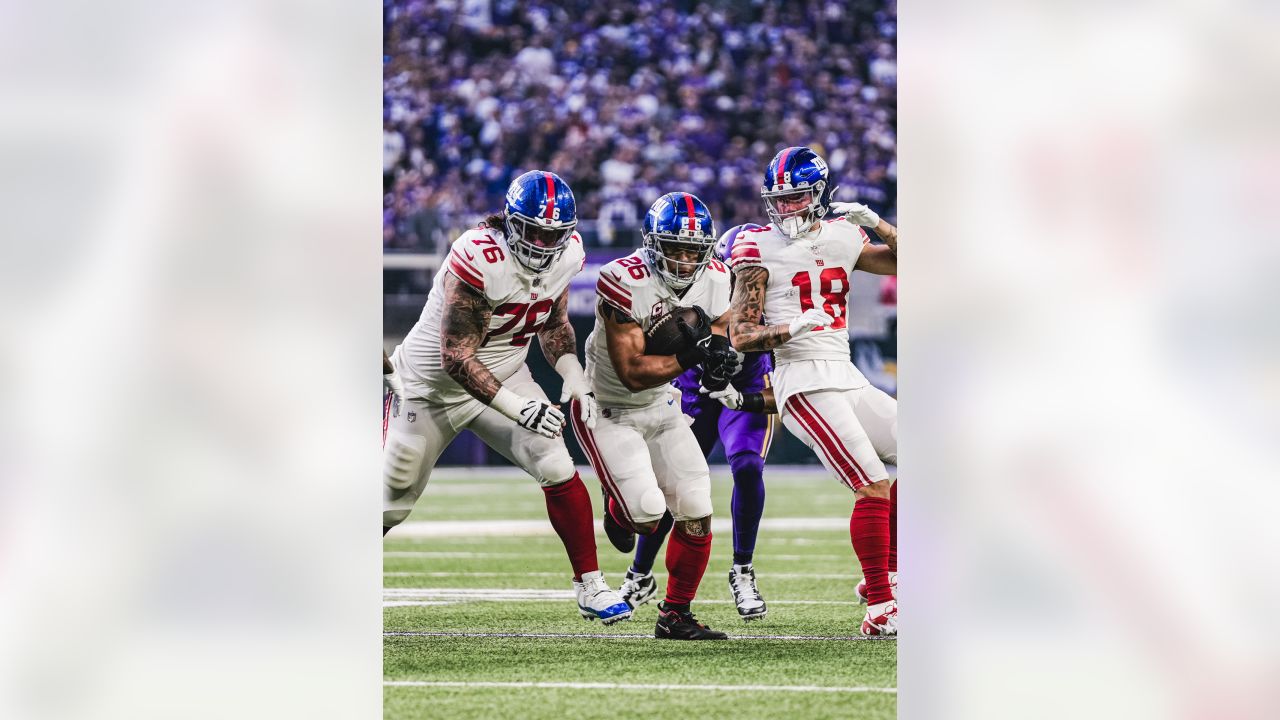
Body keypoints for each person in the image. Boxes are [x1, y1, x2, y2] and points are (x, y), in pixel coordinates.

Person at [383, 170, 632, 625]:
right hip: (428, 388)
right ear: (511, 223)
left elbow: (554, 324)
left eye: (552, 235)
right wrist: (520, 408)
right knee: (390, 499)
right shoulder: (478, 256)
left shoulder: (568, 254)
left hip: (506, 371)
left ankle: (591, 585)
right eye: (533, 231)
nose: (541, 244)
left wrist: (572, 371)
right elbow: (457, 356)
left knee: (556, 464)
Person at [725, 146, 900, 636]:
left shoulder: (846, 234)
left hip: (846, 375)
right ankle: (882, 608)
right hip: (801, 380)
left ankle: (882, 576)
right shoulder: (755, 246)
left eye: (797, 198)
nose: (786, 209)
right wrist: (794, 327)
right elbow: (740, 334)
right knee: (872, 484)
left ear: (820, 195)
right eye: (778, 200)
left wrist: (881, 225)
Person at [573, 192, 741, 640]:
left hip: (663, 405)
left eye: (693, 249)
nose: (685, 260)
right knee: (647, 515)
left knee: (697, 508)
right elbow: (631, 374)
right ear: (652, 244)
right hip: (609, 407)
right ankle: (617, 507)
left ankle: (675, 614)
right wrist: (694, 355)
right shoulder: (622, 278)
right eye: (674, 247)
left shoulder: (718, 274)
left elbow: (718, 325)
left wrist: (720, 353)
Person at [615, 223, 778, 622]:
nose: (744, 276)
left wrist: (746, 394)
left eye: (751, 268)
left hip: (745, 387)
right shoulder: (703, 283)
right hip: (695, 388)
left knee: (747, 465)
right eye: (737, 267)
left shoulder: (776, 296)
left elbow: (783, 386)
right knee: (674, 482)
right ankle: (640, 573)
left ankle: (742, 569)